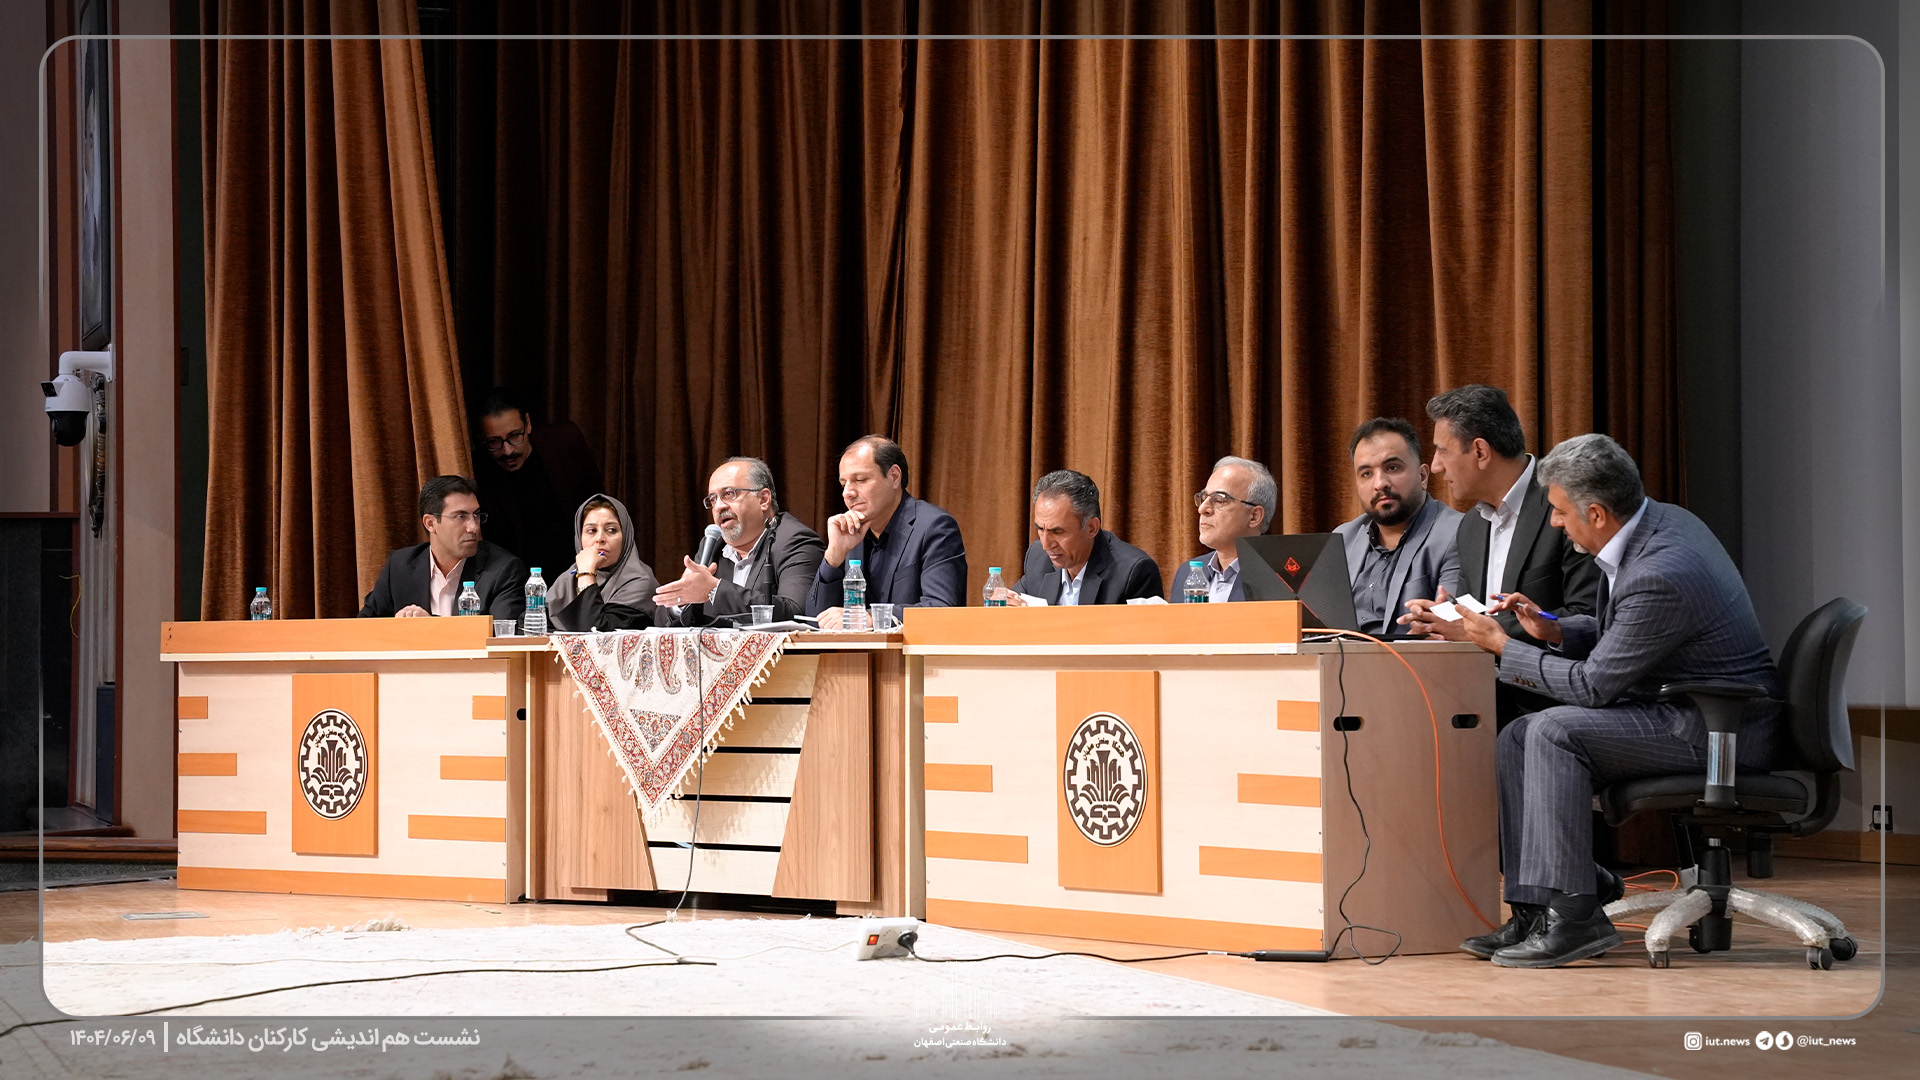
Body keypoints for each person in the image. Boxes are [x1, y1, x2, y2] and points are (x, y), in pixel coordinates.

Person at [1406, 434, 1785, 969]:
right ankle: (1534, 910)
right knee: (1518, 734)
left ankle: (1575, 914)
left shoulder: (1661, 571)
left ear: (1598, 514)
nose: (1555, 522)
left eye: (1561, 512)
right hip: (1681, 706)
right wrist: (1553, 628)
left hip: (1717, 728)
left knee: (1553, 731)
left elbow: (1592, 687)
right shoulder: (1659, 523)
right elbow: (1621, 633)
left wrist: (1503, 645)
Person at [1402, 384, 1600, 724]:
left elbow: (1589, 618)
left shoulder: (1564, 505)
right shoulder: (1470, 526)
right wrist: (1443, 617)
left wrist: (1477, 630)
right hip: (1482, 698)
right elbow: (1477, 610)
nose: (1435, 467)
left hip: (1556, 704)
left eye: (1442, 451)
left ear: (1480, 451)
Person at [806, 435, 966, 626]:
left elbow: (943, 609)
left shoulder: (934, 527)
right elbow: (815, 621)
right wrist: (834, 556)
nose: (847, 493)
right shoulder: (849, 534)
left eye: (860, 480)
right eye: (843, 484)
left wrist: (872, 617)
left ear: (894, 477)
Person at [654, 457, 826, 625]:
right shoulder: (713, 545)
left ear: (763, 499)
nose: (719, 506)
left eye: (729, 494)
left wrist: (714, 590)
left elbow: (797, 613)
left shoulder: (796, 541)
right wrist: (682, 600)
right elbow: (660, 620)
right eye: (713, 499)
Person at [1331, 418, 1463, 636]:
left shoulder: (1457, 533)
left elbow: (1452, 623)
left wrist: (1434, 627)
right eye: (1366, 474)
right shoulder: (1342, 538)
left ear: (1422, 476)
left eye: (1392, 468)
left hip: (1412, 657)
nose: (1380, 483)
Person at [472, 387, 606, 579]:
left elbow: (599, 504)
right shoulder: (479, 469)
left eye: (514, 436)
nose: (507, 451)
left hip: (580, 569)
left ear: (527, 424)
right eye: (494, 442)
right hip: (519, 580)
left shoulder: (564, 442)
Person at [358, 476, 526, 620]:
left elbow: (501, 636)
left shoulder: (504, 570)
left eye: (476, 515)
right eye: (461, 516)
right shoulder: (399, 566)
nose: (474, 527)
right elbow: (364, 627)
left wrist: (432, 627)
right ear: (430, 523)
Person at [998, 470, 1162, 606]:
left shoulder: (1134, 572)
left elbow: (1143, 635)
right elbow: (1014, 607)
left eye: (1057, 531)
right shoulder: (1038, 558)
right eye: (1040, 529)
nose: (1046, 545)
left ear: (1091, 528)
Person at [547, 493, 660, 631]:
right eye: (591, 530)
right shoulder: (568, 579)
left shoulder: (640, 582)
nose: (600, 538)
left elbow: (594, 633)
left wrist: (586, 574)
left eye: (611, 530)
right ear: (579, 538)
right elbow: (530, 625)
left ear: (625, 538)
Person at [1173, 455, 1276, 602]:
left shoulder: (1278, 577)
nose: (1202, 509)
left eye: (1219, 499)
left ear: (1254, 516)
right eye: (1204, 497)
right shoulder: (1187, 573)